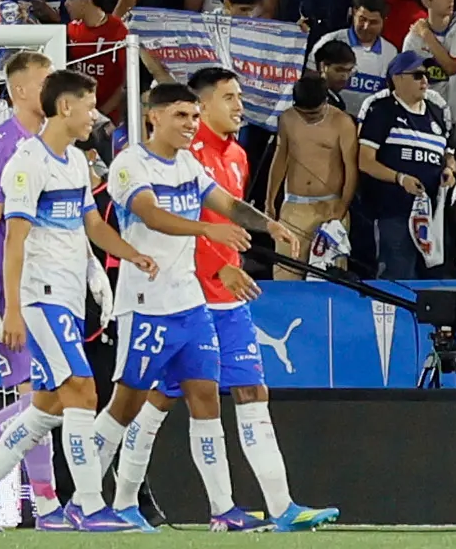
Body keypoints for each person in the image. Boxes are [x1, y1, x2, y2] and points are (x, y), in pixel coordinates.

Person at [116, 61, 332, 529]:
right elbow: (176, 230)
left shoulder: (233, 155)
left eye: (239, 97)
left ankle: (281, 508)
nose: (239, 106)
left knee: (250, 390)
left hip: (226, 299)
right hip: (183, 295)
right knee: (158, 400)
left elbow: (230, 212)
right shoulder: (176, 155)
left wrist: (270, 226)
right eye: (229, 98)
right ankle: (118, 499)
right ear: (200, 103)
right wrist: (218, 267)